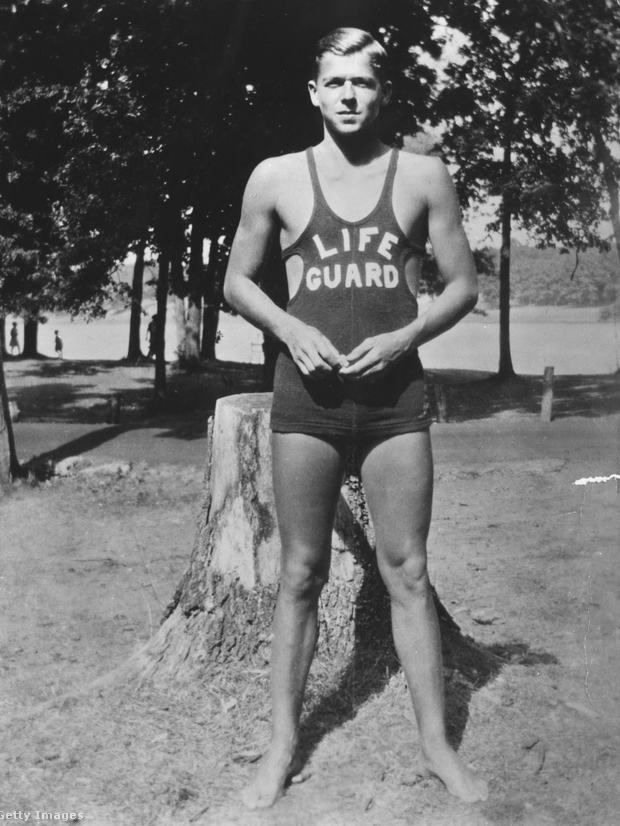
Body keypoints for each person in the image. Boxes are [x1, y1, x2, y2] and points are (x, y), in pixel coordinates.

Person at [223, 27, 488, 809]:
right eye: (334, 82)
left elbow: (463, 285)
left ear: (381, 92)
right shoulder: (276, 177)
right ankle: (281, 746)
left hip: (394, 403)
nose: (348, 94)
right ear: (313, 92)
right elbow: (238, 281)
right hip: (307, 401)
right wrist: (290, 328)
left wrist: (407, 335)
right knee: (300, 573)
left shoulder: (422, 176)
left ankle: (437, 746)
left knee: (407, 570)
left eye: (362, 82)